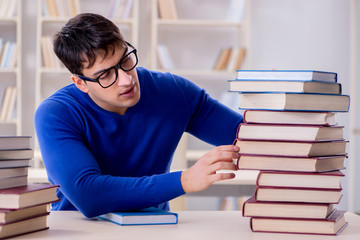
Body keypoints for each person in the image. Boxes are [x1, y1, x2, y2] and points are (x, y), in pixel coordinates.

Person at [34, 13, 243, 218]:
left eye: (125, 60)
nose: (126, 80)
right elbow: (88, 194)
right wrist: (185, 180)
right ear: (81, 83)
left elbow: (249, 139)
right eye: (105, 75)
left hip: (154, 227)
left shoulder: (173, 92)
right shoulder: (55, 114)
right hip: (79, 230)